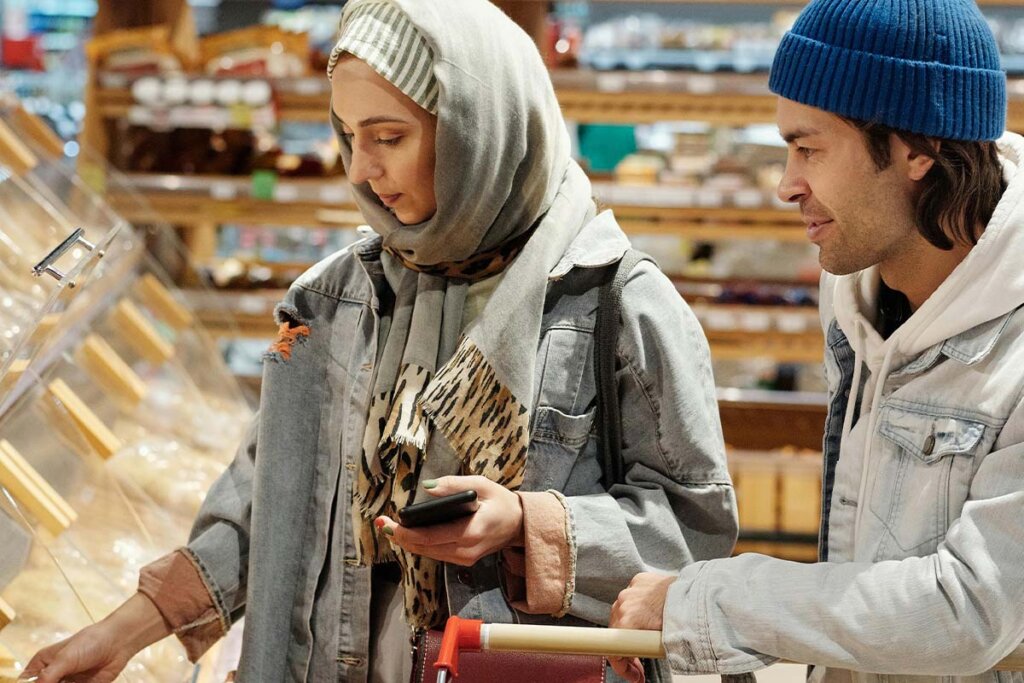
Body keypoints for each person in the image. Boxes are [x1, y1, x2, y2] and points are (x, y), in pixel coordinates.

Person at [23, 1, 738, 681]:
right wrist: (115, 636)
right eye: (347, 136)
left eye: (388, 137)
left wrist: (530, 524)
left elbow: (697, 530)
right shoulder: (333, 302)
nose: (361, 169)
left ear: (474, 127)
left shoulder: (614, 302)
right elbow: (262, 510)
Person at [609, 0, 1024, 681]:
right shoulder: (856, 292)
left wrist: (712, 601)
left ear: (917, 148)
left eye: (809, 148)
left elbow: (967, 607)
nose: (785, 185)